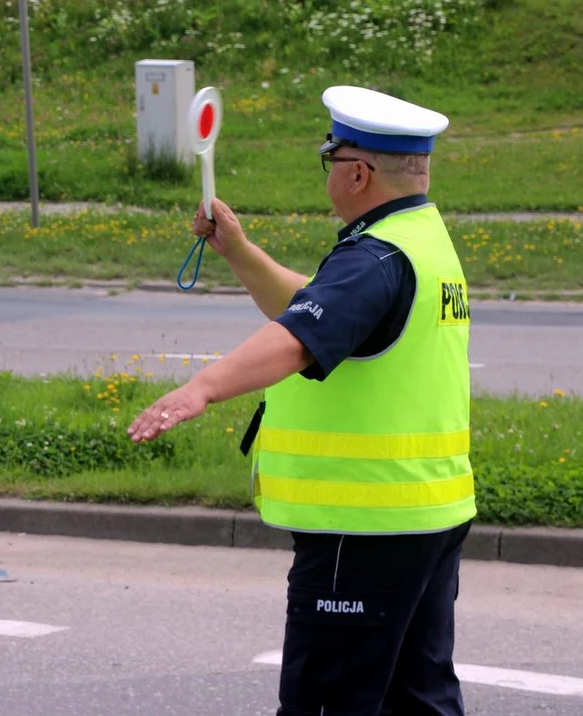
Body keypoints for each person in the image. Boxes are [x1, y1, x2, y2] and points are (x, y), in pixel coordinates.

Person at [128, 85, 476, 715]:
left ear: (358, 173)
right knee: (418, 701)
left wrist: (199, 388)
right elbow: (318, 307)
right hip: (425, 515)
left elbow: (297, 336)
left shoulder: (375, 258)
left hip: (361, 528)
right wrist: (237, 250)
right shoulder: (422, 239)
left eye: (330, 160)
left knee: (328, 704)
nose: (329, 174)